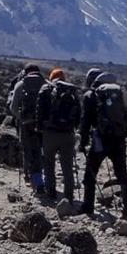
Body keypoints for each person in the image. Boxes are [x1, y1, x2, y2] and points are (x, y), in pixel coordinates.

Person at [78, 72, 127, 220]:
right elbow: (125, 117)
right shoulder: (117, 95)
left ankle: (87, 206)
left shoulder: (90, 95)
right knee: (122, 175)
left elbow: (86, 121)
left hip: (100, 140)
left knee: (90, 173)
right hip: (119, 140)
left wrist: (83, 142)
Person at [38, 68, 81, 201]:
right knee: (67, 165)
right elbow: (79, 112)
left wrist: (40, 128)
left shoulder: (46, 89)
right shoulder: (72, 91)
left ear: (51, 77)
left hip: (50, 133)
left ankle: (51, 192)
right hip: (68, 134)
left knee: (49, 163)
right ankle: (69, 196)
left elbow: (39, 110)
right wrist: (74, 127)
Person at [7, 63, 47, 195]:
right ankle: (44, 181)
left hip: (26, 125)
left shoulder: (20, 84)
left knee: (29, 152)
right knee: (41, 153)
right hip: (43, 126)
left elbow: (13, 108)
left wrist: (22, 118)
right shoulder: (47, 84)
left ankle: (34, 180)